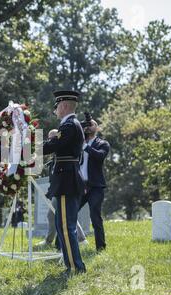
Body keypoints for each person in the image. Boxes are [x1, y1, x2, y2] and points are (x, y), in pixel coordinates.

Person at [43, 90, 86, 275]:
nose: (55, 111)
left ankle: (76, 267)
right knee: (63, 226)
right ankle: (71, 264)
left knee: (66, 227)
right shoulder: (70, 124)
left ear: (65, 106)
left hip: (66, 180)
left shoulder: (68, 125)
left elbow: (53, 145)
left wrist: (29, 147)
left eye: (57, 107)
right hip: (66, 178)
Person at [79, 119, 110, 252]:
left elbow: (100, 156)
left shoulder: (102, 143)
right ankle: (62, 246)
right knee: (69, 214)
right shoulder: (78, 142)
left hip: (95, 187)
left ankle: (100, 247)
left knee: (95, 216)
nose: (88, 126)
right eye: (86, 124)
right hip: (80, 185)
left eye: (91, 124)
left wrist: (85, 146)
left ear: (97, 128)